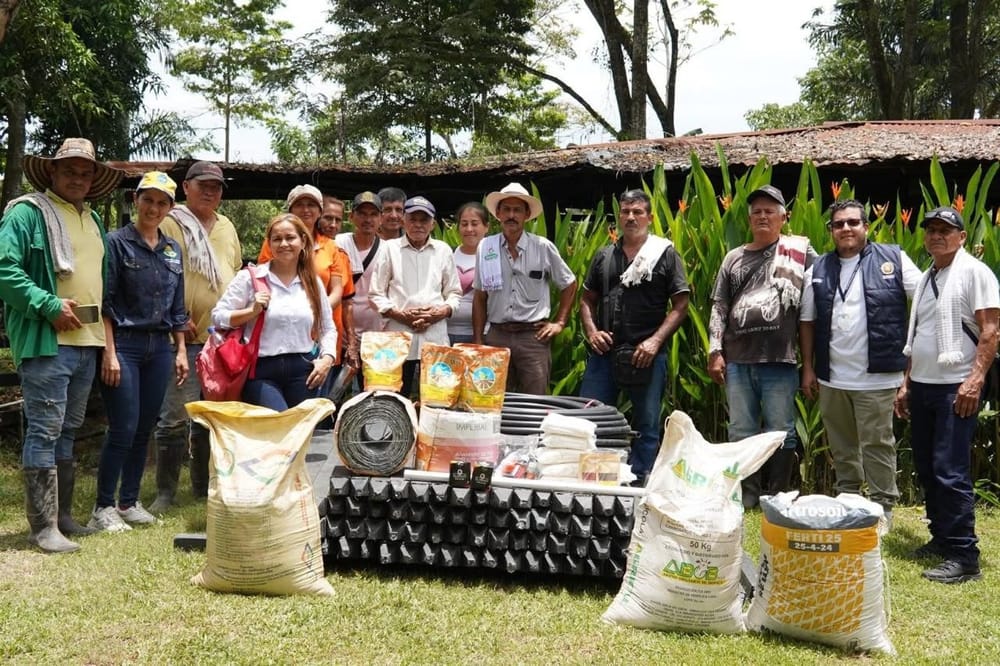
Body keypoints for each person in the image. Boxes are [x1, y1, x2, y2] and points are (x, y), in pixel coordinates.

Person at [0, 137, 123, 553]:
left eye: (85, 172)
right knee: (45, 429)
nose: (78, 178)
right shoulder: (27, 213)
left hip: (87, 341)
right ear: (52, 171)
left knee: (68, 430)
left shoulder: (93, 219)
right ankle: (43, 528)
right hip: (47, 340)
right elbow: (5, 269)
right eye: (69, 170)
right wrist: (48, 304)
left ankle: (63, 517)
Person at [799, 199, 921, 531]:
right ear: (831, 230)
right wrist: (808, 367)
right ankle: (849, 500)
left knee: (877, 444)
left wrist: (910, 369)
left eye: (853, 222)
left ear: (866, 226)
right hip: (832, 377)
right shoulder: (817, 269)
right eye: (838, 224)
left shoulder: (894, 258)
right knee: (842, 446)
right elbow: (807, 321)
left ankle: (882, 508)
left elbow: (924, 301)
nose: (846, 229)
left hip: (878, 377)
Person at [895, 206, 999, 584]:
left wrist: (974, 380)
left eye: (945, 230)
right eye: (931, 230)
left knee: (949, 470)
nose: (936, 236)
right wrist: (906, 383)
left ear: (962, 237)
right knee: (927, 466)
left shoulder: (974, 272)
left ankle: (964, 555)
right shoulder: (928, 277)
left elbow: (991, 331)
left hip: (956, 387)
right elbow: (919, 336)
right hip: (923, 385)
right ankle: (941, 538)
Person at [89, 172, 189, 532]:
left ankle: (129, 502)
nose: (153, 208)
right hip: (124, 344)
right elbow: (105, 301)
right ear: (136, 200)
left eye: (162, 203)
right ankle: (103, 507)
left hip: (159, 347)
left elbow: (178, 306)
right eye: (148, 200)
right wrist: (109, 352)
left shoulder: (172, 249)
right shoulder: (115, 243)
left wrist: (181, 350)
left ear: (170, 208)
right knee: (123, 426)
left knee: (146, 426)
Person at [707, 184, 816, 508]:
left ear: (784, 217)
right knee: (741, 428)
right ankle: (748, 494)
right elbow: (719, 307)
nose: (763, 216)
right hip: (738, 359)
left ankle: (777, 493)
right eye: (756, 212)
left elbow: (815, 302)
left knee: (781, 429)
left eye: (770, 211)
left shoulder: (800, 252)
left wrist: (810, 363)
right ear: (749, 218)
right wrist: (715, 350)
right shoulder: (733, 258)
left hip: (780, 359)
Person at [579, 189, 690, 482]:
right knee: (591, 419)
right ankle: (595, 482)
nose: (631, 217)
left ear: (649, 218)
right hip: (604, 353)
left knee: (647, 425)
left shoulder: (665, 254)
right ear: (619, 217)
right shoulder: (604, 255)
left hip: (647, 355)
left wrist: (655, 341)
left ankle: (641, 483)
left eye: (637, 212)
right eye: (625, 212)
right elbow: (586, 299)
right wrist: (592, 332)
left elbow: (681, 305)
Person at [150, 161, 242, 510]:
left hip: (221, 339)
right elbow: (156, 273)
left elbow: (236, 274)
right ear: (185, 187)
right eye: (203, 185)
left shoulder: (227, 226)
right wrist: (174, 317)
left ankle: (204, 487)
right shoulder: (170, 222)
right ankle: (165, 492)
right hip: (181, 338)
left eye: (216, 187)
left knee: (212, 415)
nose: (210, 191)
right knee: (174, 415)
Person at [213, 213, 338, 411]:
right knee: (277, 423)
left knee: (300, 428)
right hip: (260, 370)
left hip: (304, 371)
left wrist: (327, 358)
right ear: (269, 244)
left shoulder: (312, 282)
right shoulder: (250, 278)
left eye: (290, 238)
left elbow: (327, 327)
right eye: (277, 239)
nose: (284, 244)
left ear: (302, 240)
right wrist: (251, 311)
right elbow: (218, 317)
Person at [472, 182, 577, 394]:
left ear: (527, 215)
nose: (511, 215)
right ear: (498, 214)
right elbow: (480, 297)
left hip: (533, 337)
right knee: (493, 398)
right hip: (497, 335)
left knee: (534, 400)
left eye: (517, 210)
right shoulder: (486, 247)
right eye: (506, 209)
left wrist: (559, 322)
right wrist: (479, 340)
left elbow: (569, 283)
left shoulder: (543, 247)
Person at [369, 196, 462, 398]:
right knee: (394, 397)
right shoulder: (390, 249)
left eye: (424, 220)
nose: (418, 225)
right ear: (404, 221)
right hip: (399, 337)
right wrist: (400, 315)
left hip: (434, 336)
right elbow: (376, 293)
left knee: (435, 398)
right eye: (413, 219)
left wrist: (440, 313)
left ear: (433, 224)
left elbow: (454, 293)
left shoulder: (443, 250)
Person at [337, 191, 388, 375]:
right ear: (351, 216)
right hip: (340, 333)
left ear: (381, 218)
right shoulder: (338, 244)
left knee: (372, 388)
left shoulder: (388, 250)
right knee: (335, 388)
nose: (368, 219)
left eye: (373, 214)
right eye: (362, 214)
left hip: (376, 335)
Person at [448, 202, 490, 344]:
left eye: (474, 223)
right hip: (444, 334)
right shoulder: (448, 254)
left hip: (480, 335)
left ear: (486, 227)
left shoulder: (494, 258)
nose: (469, 229)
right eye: (464, 224)